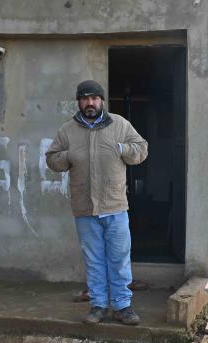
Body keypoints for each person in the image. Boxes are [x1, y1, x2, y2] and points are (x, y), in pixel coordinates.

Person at [46, 80, 148, 325]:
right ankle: (99, 305)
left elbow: (142, 149)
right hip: (84, 208)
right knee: (94, 260)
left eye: (94, 98)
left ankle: (123, 306)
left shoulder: (120, 124)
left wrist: (123, 148)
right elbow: (52, 159)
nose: (90, 102)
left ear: (102, 101)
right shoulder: (68, 130)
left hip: (115, 206)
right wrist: (68, 155)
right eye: (85, 98)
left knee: (119, 258)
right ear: (79, 102)